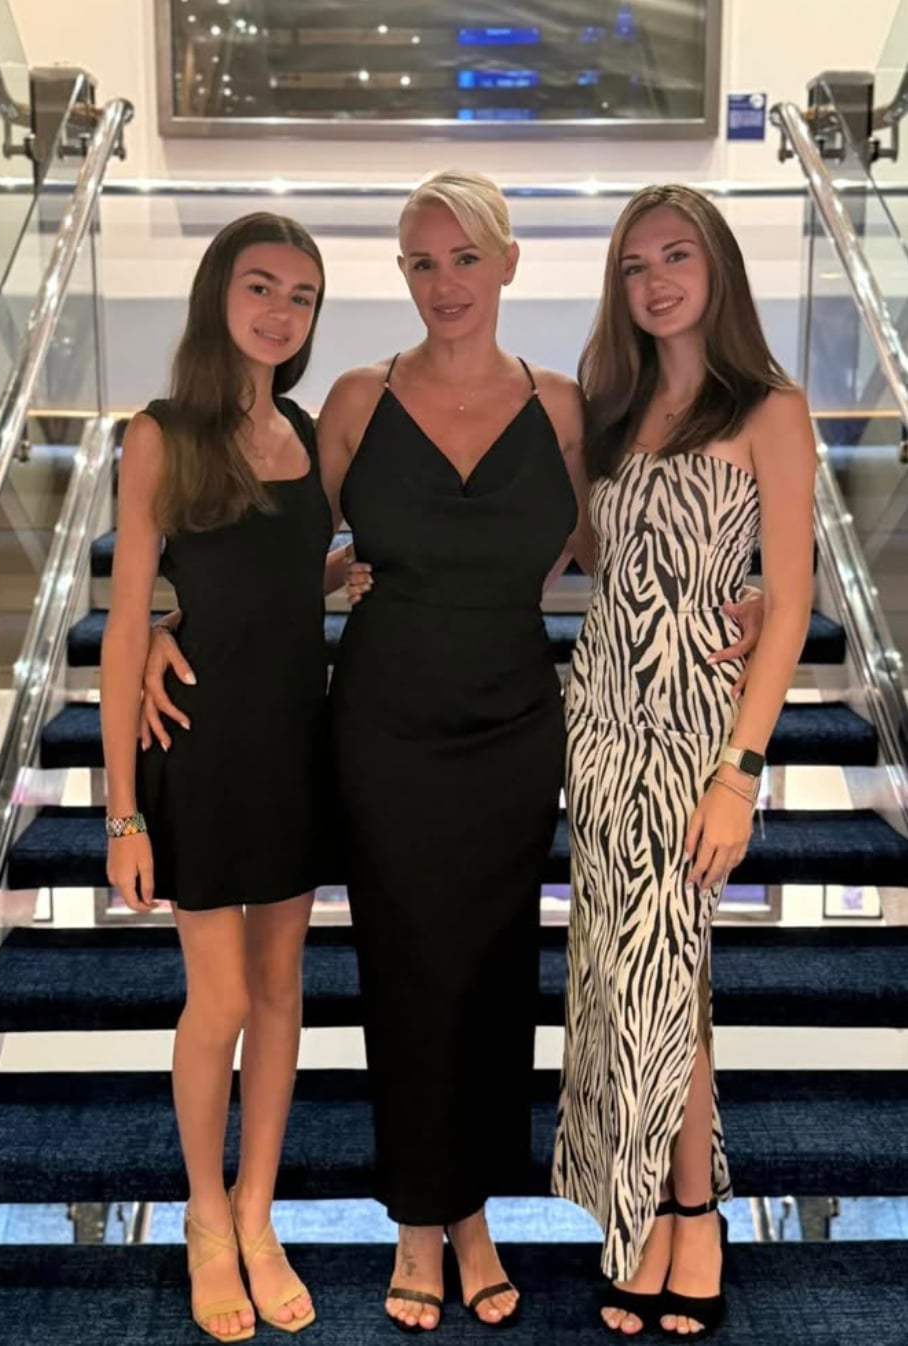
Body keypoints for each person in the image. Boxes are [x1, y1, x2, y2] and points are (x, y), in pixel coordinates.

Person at [142, 172, 762, 1335]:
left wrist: (747, 590)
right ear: (403, 276)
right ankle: (417, 1221)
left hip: (516, 727)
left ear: (508, 264)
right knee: (403, 971)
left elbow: (621, 544)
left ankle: (472, 1212)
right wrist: (162, 625)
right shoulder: (356, 400)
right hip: (382, 727)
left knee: (491, 972)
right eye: (422, 262)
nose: (445, 282)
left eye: (466, 258)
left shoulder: (564, 405)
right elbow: (269, 547)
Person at [551, 184, 815, 1339]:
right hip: (602, 720)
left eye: (676, 256)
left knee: (666, 973)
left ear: (718, 269)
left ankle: (687, 1211)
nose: (655, 281)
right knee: (626, 975)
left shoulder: (770, 407)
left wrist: (739, 771)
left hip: (695, 730)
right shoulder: (610, 407)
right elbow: (580, 551)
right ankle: (660, 1198)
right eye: (634, 265)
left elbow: (790, 601)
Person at [100, 212, 342, 1342]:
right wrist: (121, 814)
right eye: (261, 285)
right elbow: (124, 622)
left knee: (283, 989)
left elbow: (282, 576)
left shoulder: (307, 431)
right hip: (195, 748)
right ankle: (204, 1212)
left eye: (301, 295)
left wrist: (346, 574)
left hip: (296, 743)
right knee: (227, 997)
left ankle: (257, 1209)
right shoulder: (161, 433)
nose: (280, 311)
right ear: (218, 294)